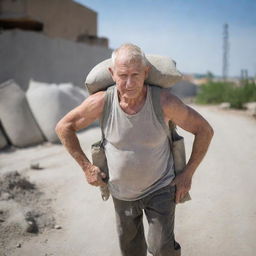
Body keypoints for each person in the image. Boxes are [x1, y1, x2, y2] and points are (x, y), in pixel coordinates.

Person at [55, 43, 214, 256]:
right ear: (112, 74)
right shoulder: (102, 102)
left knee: (161, 249)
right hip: (122, 193)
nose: (129, 83)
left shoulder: (164, 102)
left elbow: (204, 130)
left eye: (135, 74)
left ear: (146, 72)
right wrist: (86, 167)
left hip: (161, 188)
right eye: (122, 75)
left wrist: (188, 173)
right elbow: (64, 127)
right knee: (131, 252)